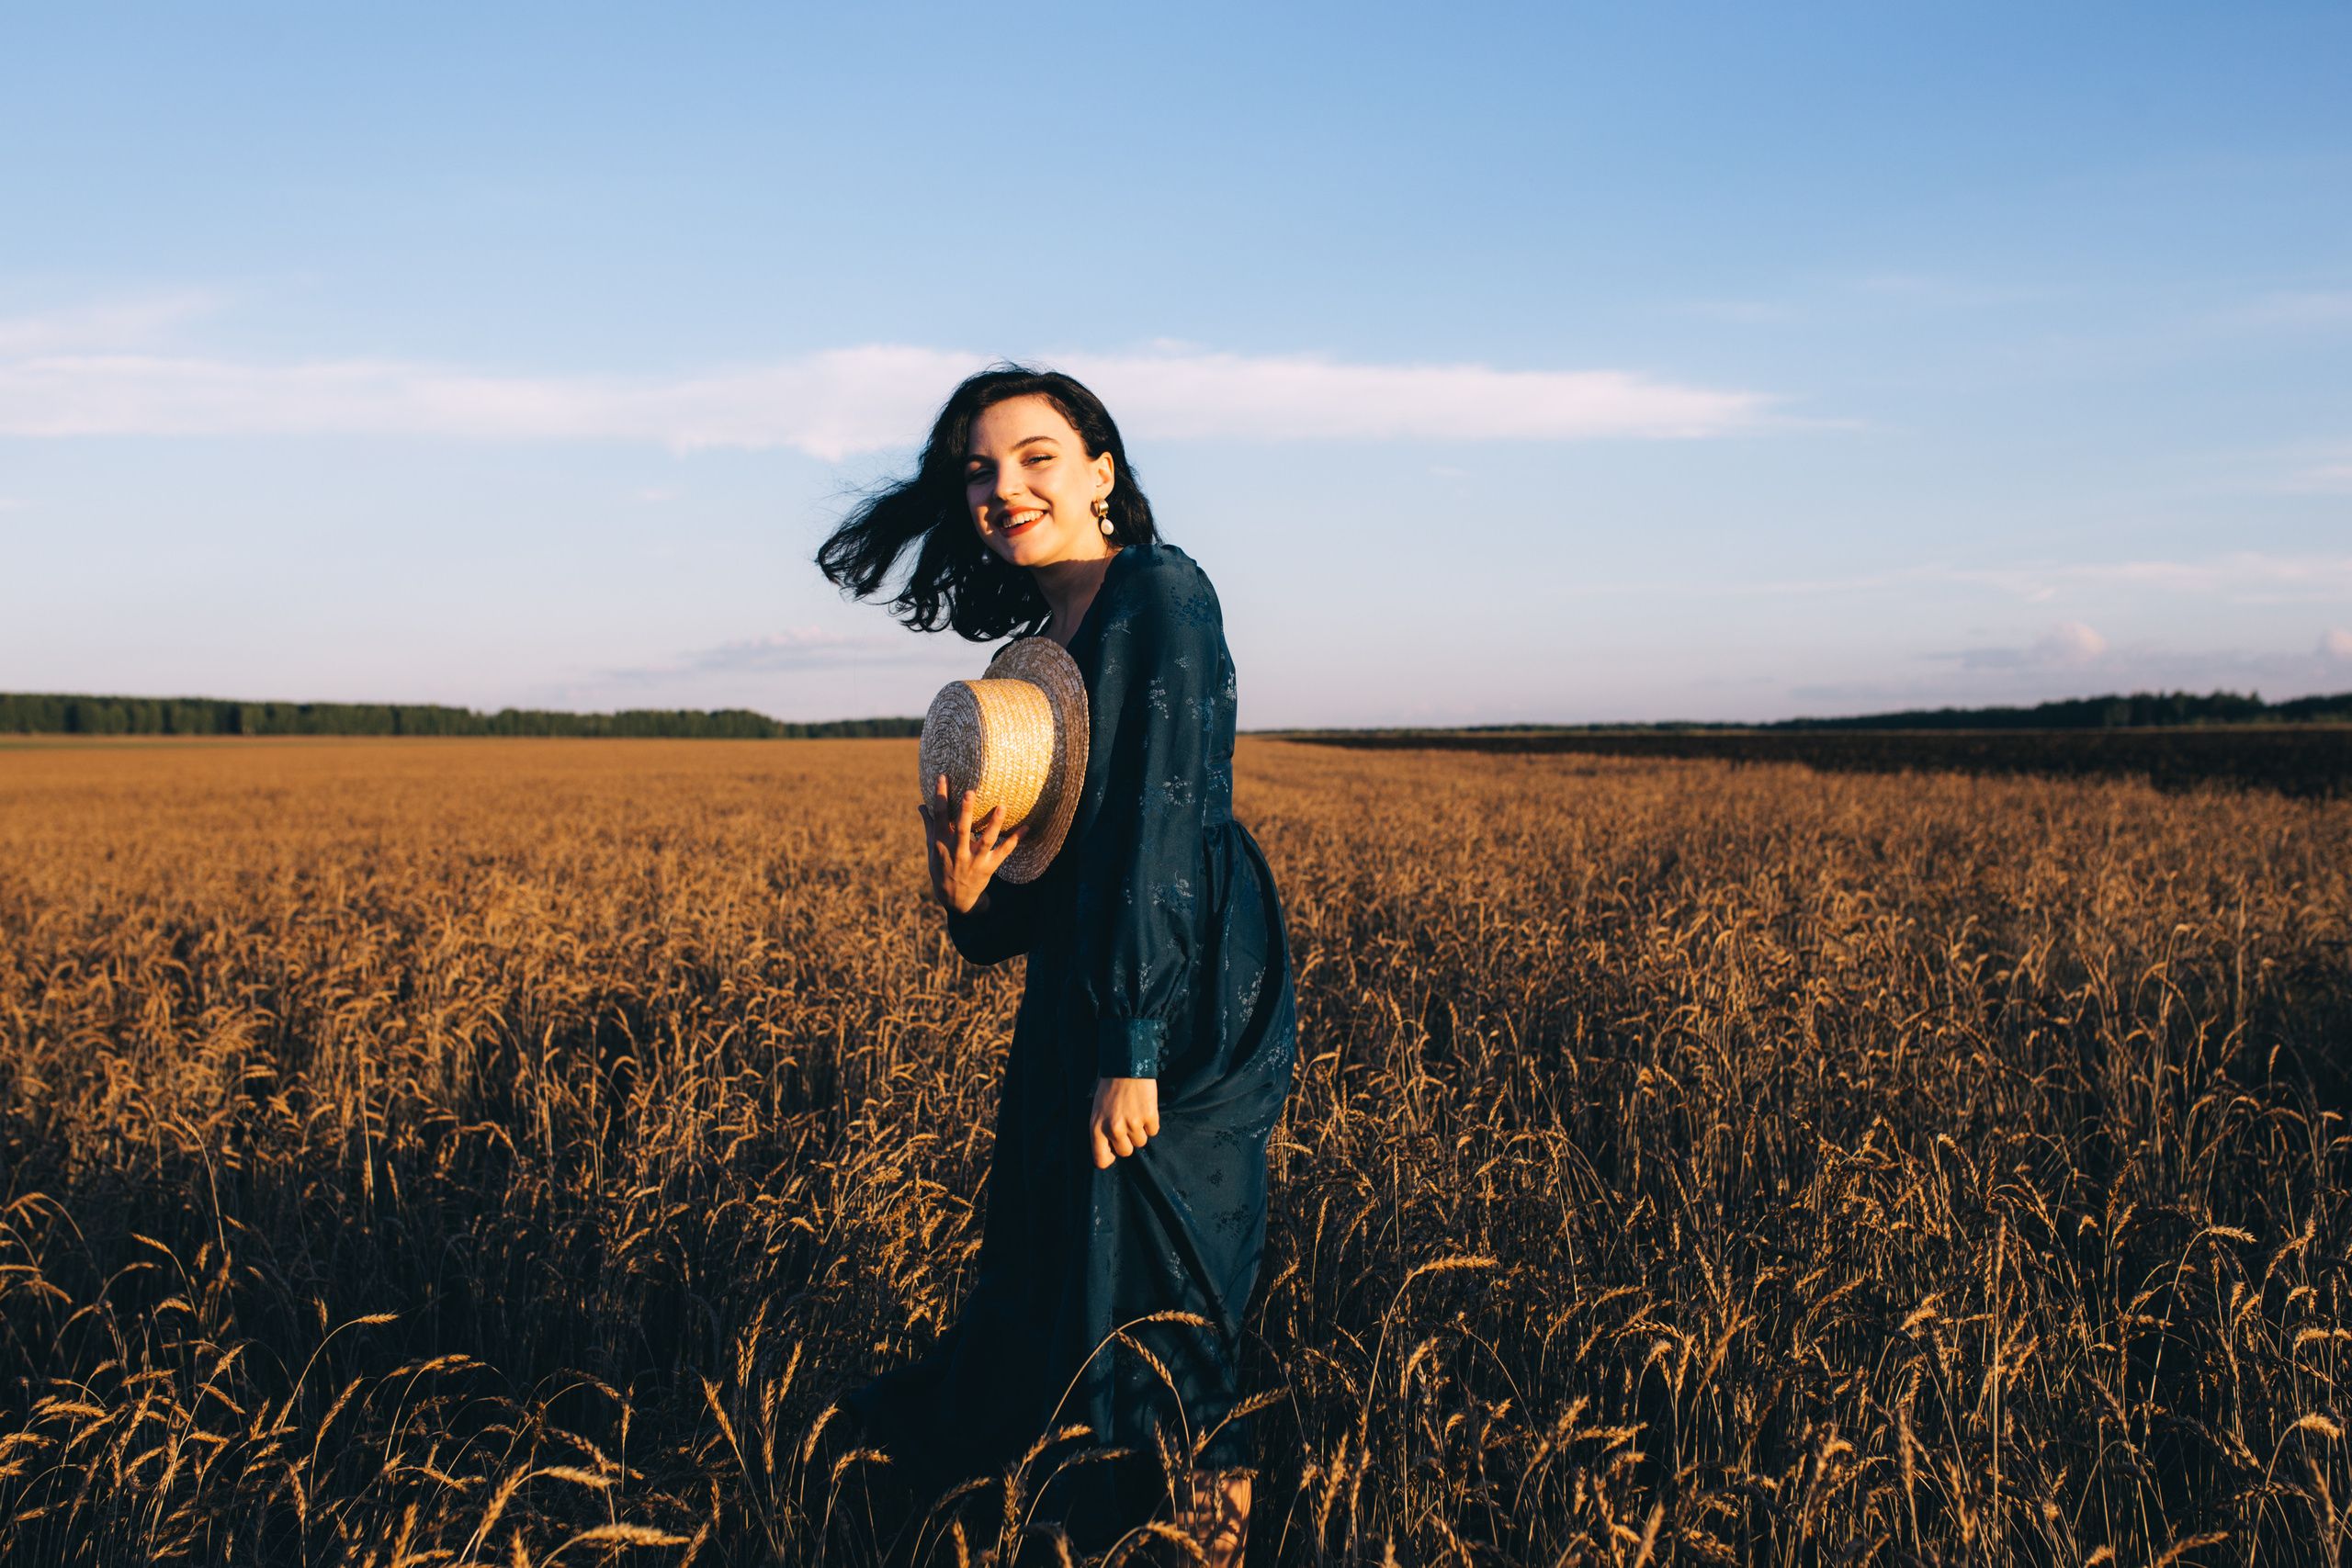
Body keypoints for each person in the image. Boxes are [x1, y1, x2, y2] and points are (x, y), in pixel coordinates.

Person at [816, 367, 1296, 1562]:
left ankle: (1203, 1552)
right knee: (1055, 1295)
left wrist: (1133, 1049)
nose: (1005, 487)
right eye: (980, 470)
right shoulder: (1035, 654)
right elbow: (1044, 898)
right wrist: (965, 896)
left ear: (1101, 472)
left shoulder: (1160, 592)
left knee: (1169, 1321)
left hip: (1178, 1007)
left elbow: (1163, 826)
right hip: (1078, 996)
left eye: (1035, 456)